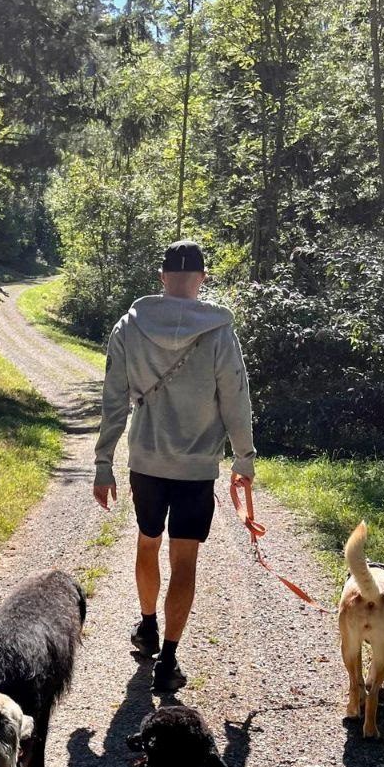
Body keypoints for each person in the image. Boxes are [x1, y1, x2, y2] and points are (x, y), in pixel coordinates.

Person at [92, 239, 256, 694]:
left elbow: (113, 400)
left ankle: (145, 626)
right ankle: (169, 658)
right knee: (185, 559)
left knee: (148, 542)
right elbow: (236, 401)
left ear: (162, 276)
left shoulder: (129, 327)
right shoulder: (220, 334)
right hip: (197, 467)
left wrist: (104, 461)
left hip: (146, 460)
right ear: (202, 278)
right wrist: (244, 457)